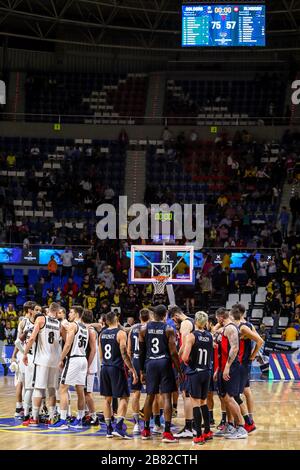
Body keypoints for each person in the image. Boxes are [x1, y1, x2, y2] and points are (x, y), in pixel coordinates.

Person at [139, 305, 183, 443]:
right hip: (164, 363)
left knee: (149, 397)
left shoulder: (143, 329)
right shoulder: (169, 329)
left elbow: (141, 352)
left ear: (154, 315)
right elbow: (174, 353)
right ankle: (167, 432)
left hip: (150, 363)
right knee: (167, 397)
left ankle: (146, 430)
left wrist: (142, 371)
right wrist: (179, 370)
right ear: (165, 315)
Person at [50, 305, 91, 429]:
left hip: (74, 359)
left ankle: (62, 420)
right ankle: (79, 419)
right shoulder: (85, 328)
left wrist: (61, 358)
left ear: (77, 314)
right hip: (83, 358)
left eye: (71, 312)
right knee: (80, 390)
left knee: (62, 388)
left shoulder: (74, 325)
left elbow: (67, 345)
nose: (69, 314)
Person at [100, 310, 138, 439]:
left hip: (105, 367)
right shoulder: (120, 333)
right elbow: (124, 353)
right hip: (116, 368)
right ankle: (119, 427)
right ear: (116, 319)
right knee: (124, 397)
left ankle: (108, 429)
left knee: (107, 399)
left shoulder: (102, 334)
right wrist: (132, 369)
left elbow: (100, 355)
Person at [22, 302, 61, 426]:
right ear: (57, 311)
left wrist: (25, 353)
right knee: (51, 389)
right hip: (55, 360)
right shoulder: (59, 323)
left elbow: (32, 338)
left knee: (38, 388)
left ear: (48, 309)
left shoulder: (41, 319)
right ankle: (51, 417)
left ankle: (34, 417)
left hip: (42, 359)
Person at [214, 307, 248, 439]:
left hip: (232, 367)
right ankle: (230, 425)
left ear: (221, 317)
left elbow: (235, 348)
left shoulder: (231, 328)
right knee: (224, 398)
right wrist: (219, 369)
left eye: (217, 318)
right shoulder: (225, 328)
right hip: (223, 367)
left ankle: (241, 427)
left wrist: (227, 366)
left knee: (229, 397)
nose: (217, 320)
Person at [182, 311, 214, 446]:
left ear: (195, 321)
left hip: (195, 372)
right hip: (206, 372)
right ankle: (207, 431)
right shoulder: (209, 335)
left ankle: (199, 435)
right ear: (205, 322)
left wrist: (189, 361)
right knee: (203, 402)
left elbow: (184, 357)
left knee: (195, 403)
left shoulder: (191, 336)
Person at [231, 304, 264, 433]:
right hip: (243, 363)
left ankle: (246, 420)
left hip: (242, 363)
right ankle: (249, 418)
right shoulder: (249, 325)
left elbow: (260, 340)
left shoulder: (243, 327)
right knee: (246, 390)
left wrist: (252, 356)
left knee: (239, 392)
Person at [169, 306, 195, 439]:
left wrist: (177, 360)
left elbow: (184, 345)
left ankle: (189, 427)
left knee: (186, 395)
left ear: (176, 316)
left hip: (187, 363)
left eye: (174, 320)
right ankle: (194, 426)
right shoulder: (192, 321)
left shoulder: (185, 323)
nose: (174, 323)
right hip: (194, 363)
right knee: (192, 396)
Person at [127, 308, 150, 435]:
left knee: (136, 393)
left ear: (140, 317)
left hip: (135, 361)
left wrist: (131, 366)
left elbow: (129, 349)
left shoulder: (133, 329)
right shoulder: (150, 328)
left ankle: (136, 424)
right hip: (147, 361)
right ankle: (152, 422)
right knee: (151, 394)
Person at [82, 309, 99, 426]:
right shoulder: (87, 328)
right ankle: (87, 414)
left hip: (89, 366)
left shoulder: (91, 331)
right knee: (83, 392)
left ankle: (94, 416)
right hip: (87, 365)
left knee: (87, 393)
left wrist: (87, 365)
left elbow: (93, 350)